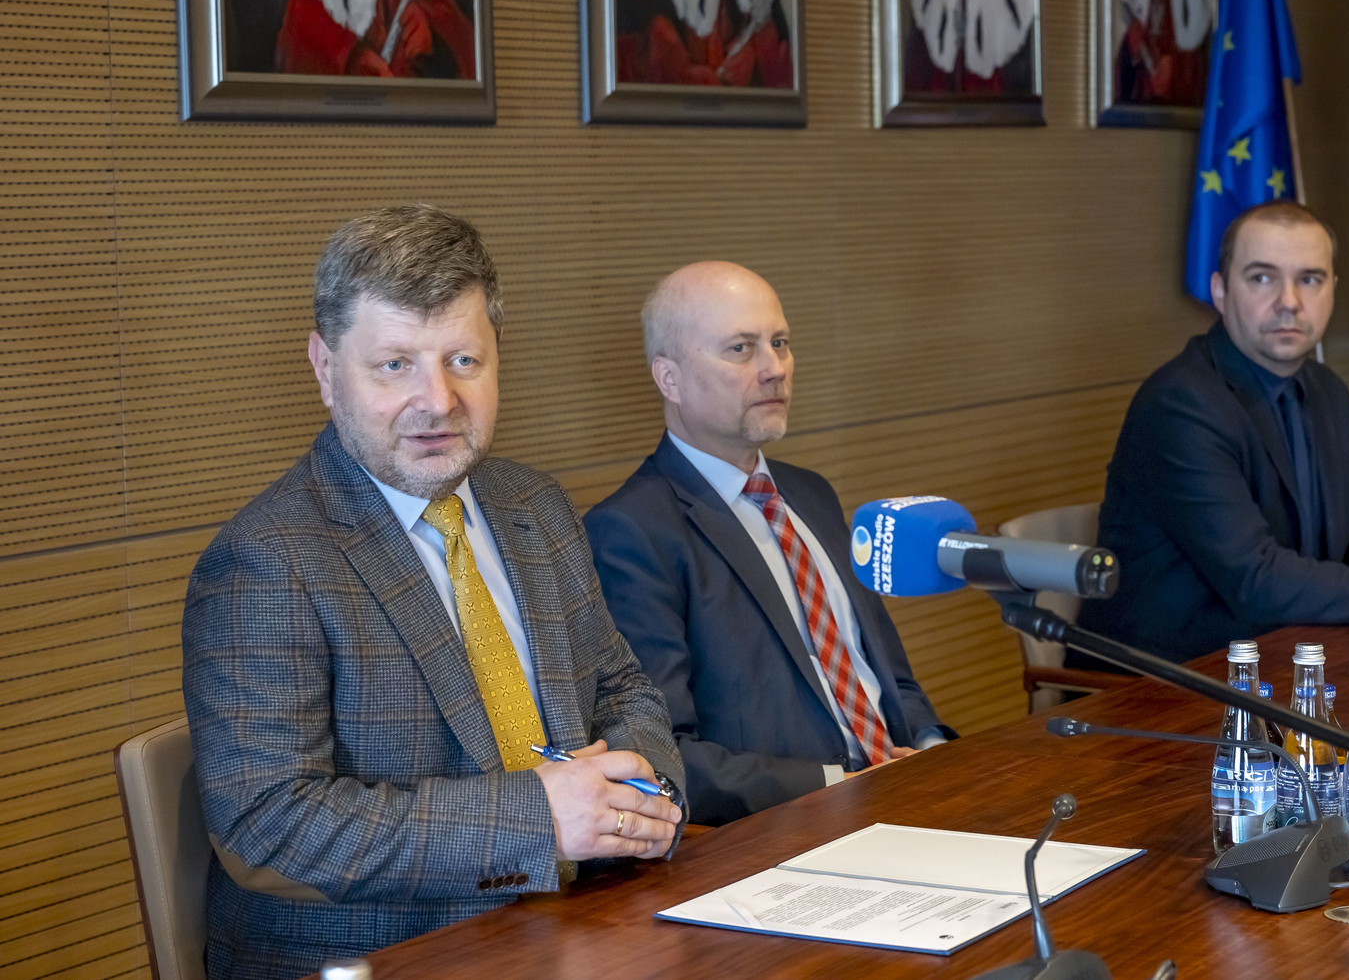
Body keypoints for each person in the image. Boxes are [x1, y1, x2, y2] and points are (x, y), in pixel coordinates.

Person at [181, 205, 684, 980]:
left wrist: (638, 797)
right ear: (325, 369)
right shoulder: (267, 560)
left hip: (586, 924)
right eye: (395, 365)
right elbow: (268, 825)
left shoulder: (535, 504)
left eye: (463, 360)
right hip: (386, 957)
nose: (439, 401)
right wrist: (538, 820)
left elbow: (621, 688)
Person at [583, 261, 954, 826]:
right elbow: (662, 754)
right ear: (669, 378)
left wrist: (932, 750)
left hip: (911, 794)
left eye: (780, 343)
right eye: (740, 349)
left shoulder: (812, 493)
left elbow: (886, 676)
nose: (774, 369)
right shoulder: (630, 532)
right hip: (789, 828)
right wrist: (845, 787)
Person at [1077, 201, 1349, 664]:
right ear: (1220, 292)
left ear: (1332, 291)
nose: (1289, 301)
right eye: (1262, 278)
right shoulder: (1180, 405)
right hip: (1159, 684)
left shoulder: (1326, 391)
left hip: (1279, 664)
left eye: (1309, 279)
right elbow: (1257, 579)